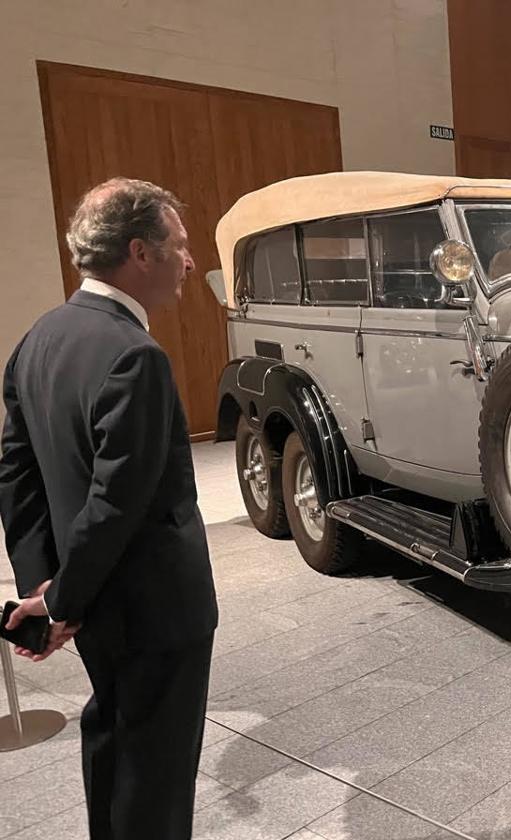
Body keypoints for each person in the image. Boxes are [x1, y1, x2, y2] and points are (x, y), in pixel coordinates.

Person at [0, 178, 217, 839]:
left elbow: (16, 473)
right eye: (178, 246)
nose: (190, 261)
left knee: (115, 742)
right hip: (152, 611)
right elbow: (118, 504)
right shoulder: (135, 357)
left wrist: (47, 584)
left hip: (94, 604)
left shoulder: (37, 341)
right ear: (139, 252)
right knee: (156, 776)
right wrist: (62, 596)